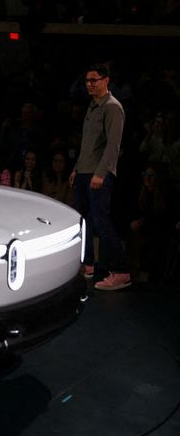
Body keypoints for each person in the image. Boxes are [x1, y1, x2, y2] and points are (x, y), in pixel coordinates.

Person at [70, 64, 129, 290]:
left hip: (98, 174)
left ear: (106, 80)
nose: (90, 84)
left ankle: (121, 271)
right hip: (85, 171)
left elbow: (113, 146)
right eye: (87, 80)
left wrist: (101, 173)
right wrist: (77, 168)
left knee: (102, 222)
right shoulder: (93, 106)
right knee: (82, 221)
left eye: (94, 80)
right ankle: (88, 264)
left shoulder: (113, 107)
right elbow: (87, 145)